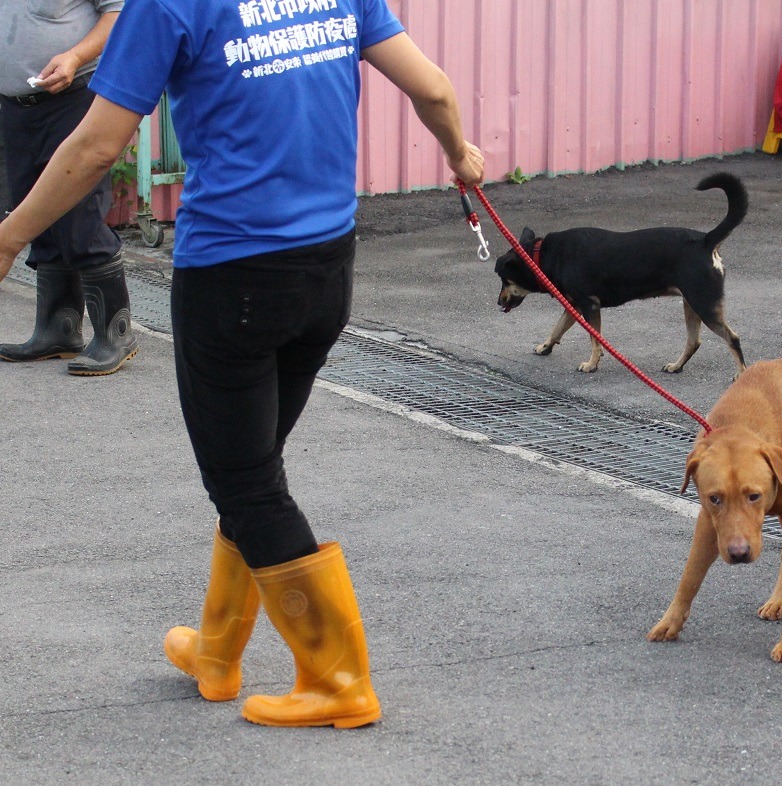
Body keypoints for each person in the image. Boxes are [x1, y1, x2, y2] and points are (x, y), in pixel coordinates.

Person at [0, 0, 484, 729]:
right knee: (253, 467)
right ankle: (217, 655)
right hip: (327, 267)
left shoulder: (166, 5)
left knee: (247, 482)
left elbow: (97, 147)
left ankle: (338, 680)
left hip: (233, 277)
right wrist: (459, 154)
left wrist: (9, 237)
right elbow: (434, 89)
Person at [0, 0, 137, 376]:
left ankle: (115, 333)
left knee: (80, 216)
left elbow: (120, 13)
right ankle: (57, 330)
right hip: (15, 104)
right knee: (34, 209)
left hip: (75, 96)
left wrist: (75, 56)